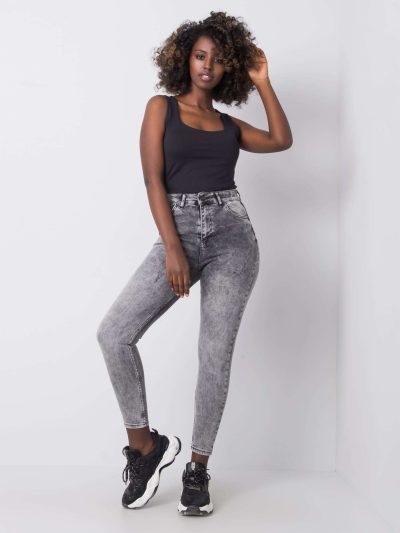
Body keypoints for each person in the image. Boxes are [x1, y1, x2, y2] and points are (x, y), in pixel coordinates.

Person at [96, 10, 292, 517]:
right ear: (185, 58)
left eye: (218, 59)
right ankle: (145, 447)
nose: (207, 65)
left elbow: (281, 140)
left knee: (214, 355)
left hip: (233, 238)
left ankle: (198, 469)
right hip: (177, 230)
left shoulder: (228, 125)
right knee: (114, 333)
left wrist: (262, 81)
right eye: (200, 55)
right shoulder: (161, 107)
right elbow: (153, 179)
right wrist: (174, 248)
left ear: (228, 68)